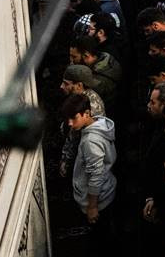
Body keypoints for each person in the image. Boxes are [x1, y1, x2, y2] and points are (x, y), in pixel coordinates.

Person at [61, 93, 117, 246]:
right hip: (107, 190)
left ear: (86, 113)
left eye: (74, 118)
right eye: (67, 119)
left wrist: (92, 207)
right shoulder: (101, 124)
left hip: (99, 200)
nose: (70, 123)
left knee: (99, 241)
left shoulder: (91, 141)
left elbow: (96, 175)